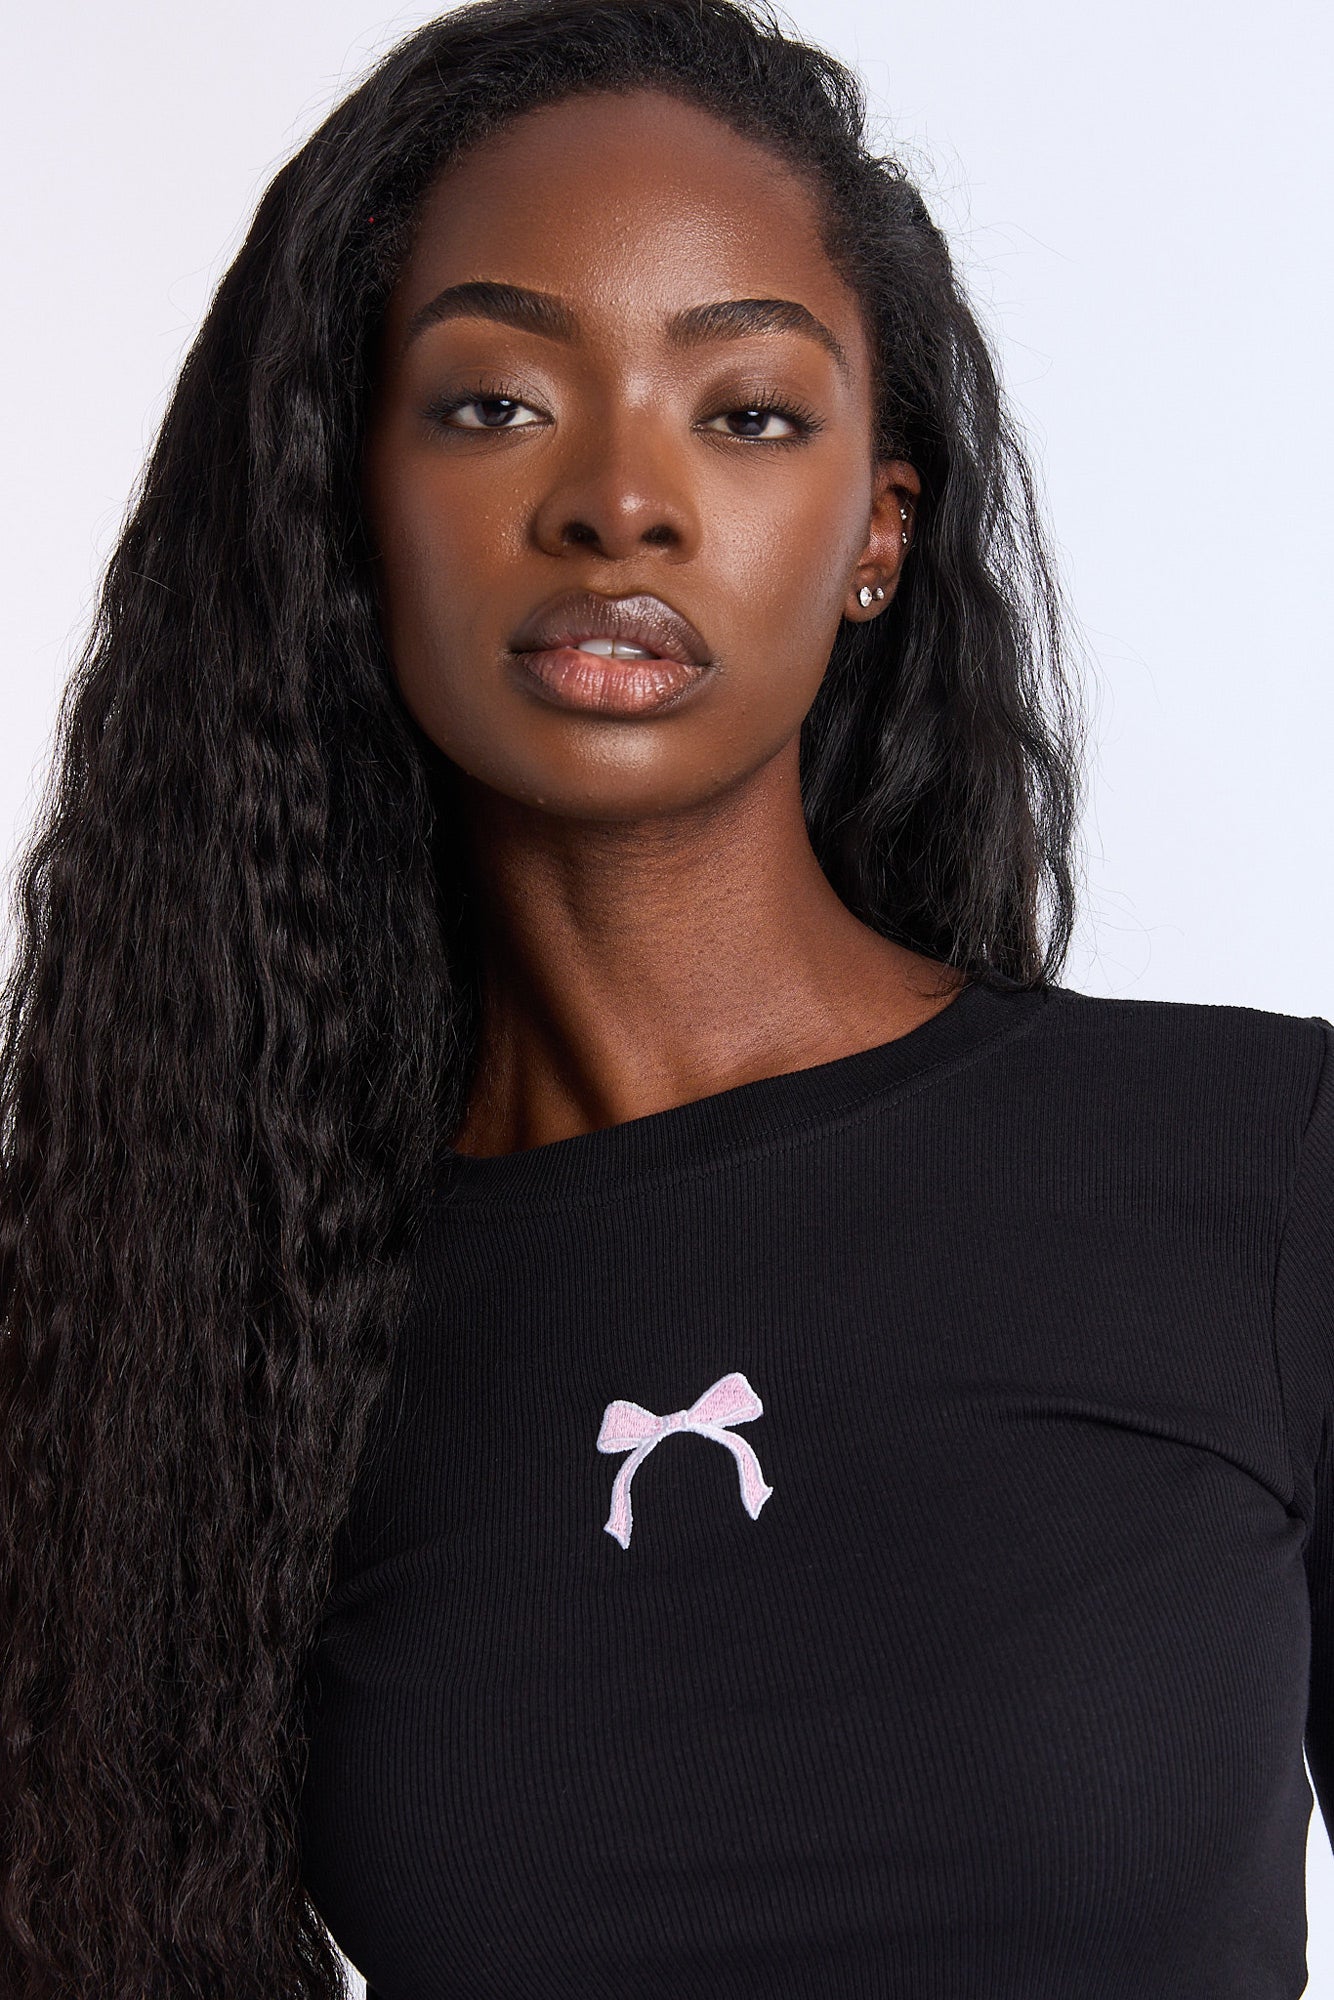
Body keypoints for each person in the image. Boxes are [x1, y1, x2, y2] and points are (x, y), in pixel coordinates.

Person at [0, 0, 1329, 1994]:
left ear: (875, 530)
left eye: (747, 413)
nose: (619, 501)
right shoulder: (204, 1333)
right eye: (493, 403)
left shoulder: (1259, 1174)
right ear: (344, 505)